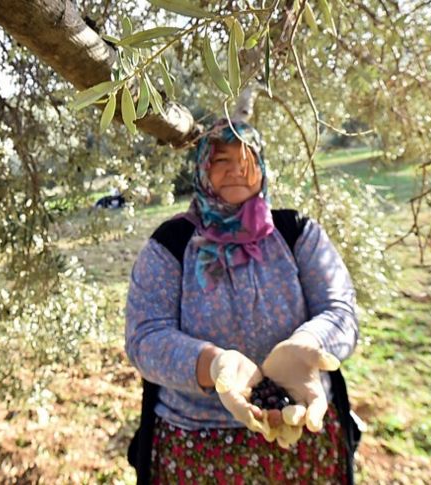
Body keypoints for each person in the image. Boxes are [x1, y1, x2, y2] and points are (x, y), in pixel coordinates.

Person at [125, 118, 359, 483]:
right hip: (197, 447)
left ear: (262, 166)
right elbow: (146, 338)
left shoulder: (297, 233)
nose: (236, 169)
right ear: (201, 168)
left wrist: (307, 345)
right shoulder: (169, 244)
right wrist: (214, 365)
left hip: (301, 434)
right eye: (220, 160)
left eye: (247, 157)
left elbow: (340, 311)